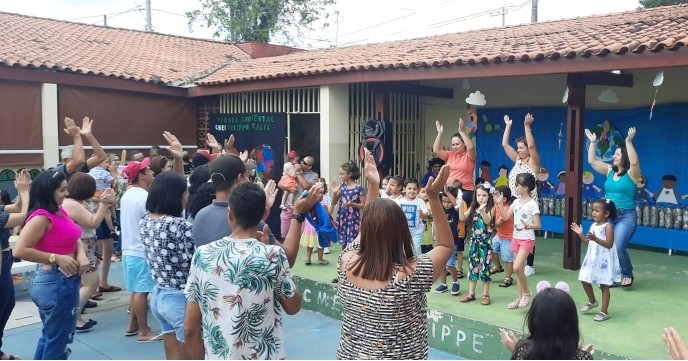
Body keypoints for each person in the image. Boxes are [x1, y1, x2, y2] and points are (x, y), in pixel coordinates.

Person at [335, 149, 453, 359]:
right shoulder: (409, 275)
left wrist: (373, 185)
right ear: (400, 229)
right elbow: (445, 246)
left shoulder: (346, 260)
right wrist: (434, 198)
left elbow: (365, 231)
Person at [184, 182, 320, 360]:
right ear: (264, 214)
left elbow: (190, 330)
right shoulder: (272, 255)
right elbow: (293, 307)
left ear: (230, 213)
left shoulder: (202, 255)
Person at [13, 170, 88, 360]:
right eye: (62, 190)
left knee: (51, 337)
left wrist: (80, 254)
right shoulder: (41, 217)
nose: (66, 194)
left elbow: (74, 237)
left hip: (61, 281)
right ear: (49, 191)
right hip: (55, 281)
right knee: (58, 340)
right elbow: (20, 250)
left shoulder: (58, 210)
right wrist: (57, 258)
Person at [140, 172, 195, 359]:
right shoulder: (180, 225)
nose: (187, 198)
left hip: (159, 293)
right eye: (185, 194)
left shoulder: (146, 220)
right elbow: (194, 259)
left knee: (172, 348)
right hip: (181, 297)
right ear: (175, 196)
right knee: (194, 350)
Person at [585, 127, 641, 288]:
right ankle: (611, 276)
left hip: (626, 216)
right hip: (609, 216)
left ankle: (627, 273)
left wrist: (628, 142)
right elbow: (592, 161)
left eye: (617, 154)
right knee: (607, 247)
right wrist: (594, 143)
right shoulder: (610, 171)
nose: (614, 156)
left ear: (624, 157)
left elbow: (635, 161)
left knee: (618, 246)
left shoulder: (632, 174)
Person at [62, 173, 117, 331]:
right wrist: (104, 205)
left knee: (81, 283)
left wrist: (104, 203)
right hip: (82, 246)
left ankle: (77, 316)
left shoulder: (77, 202)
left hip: (85, 245)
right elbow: (92, 222)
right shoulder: (72, 204)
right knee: (92, 282)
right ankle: (72, 316)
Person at [192, 155, 279, 250]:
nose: (248, 180)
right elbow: (288, 257)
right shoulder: (244, 217)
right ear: (240, 178)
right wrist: (296, 216)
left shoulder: (200, 216)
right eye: (246, 175)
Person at [119, 158, 162, 343]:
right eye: (148, 170)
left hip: (130, 249)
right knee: (142, 291)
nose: (152, 171)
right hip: (141, 250)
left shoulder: (128, 195)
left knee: (136, 290)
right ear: (142, 175)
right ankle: (143, 331)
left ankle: (133, 325)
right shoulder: (143, 197)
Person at [500, 284, 593, 360]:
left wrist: (518, 350)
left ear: (534, 321)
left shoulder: (523, 349)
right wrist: (577, 354)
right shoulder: (583, 357)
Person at [502, 113, 541, 278]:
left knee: (528, 232)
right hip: (515, 201)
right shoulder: (517, 159)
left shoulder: (533, 161)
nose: (519, 150)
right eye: (518, 147)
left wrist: (527, 127)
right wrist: (508, 126)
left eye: (521, 147)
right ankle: (519, 260)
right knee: (516, 231)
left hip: (529, 202)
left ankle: (530, 265)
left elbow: (532, 147)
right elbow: (504, 144)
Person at [495, 173, 540, 310]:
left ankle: (526, 293)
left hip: (527, 239)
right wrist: (500, 203)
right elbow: (505, 216)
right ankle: (519, 297)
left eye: (516, 185)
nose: (514, 187)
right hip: (515, 238)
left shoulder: (533, 204)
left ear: (525, 188)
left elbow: (538, 225)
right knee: (519, 268)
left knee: (516, 267)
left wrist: (529, 225)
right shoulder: (515, 202)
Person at [571, 199, 621, 322]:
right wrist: (580, 233)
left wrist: (595, 238)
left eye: (597, 210)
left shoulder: (608, 226)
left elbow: (609, 244)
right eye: (593, 210)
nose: (593, 212)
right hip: (592, 258)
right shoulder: (593, 225)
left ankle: (604, 311)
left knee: (604, 285)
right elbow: (587, 242)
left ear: (606, 214)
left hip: (603, 261)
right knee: (583, 279)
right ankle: (592, 301)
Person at [0, 170, 30, 361]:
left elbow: (18, 206)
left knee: (8, 304)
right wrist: (24, 190)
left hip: (5, 259)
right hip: (2, 262)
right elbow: (25, 215)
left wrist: (22, 190)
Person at [459, 183, 494, 305]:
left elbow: (487, 220)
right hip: (474, 242)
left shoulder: (490, 208)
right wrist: (459, 205)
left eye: (484, 195)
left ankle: (486, 294)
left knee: (485, 267)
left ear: (489, 196)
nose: (481, 198)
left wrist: (483, 210)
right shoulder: (473, 208)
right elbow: (462, 218)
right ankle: (471, 293)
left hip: (485, 243)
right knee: (473, 266)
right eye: (478, 195)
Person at [433, 118, 477, 205]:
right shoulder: (450, 155)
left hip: (466, 189)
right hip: (449, 189)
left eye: (457, 144)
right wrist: (439, 133)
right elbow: (436, 150)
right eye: (453, 145)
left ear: (464, 144)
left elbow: (471, 148)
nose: (455, 147)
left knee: (459, 203)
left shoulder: (469, 156)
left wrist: (461, 131)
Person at [56, 117, 107, 181]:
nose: (80, 164)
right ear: (65, 160)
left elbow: (101, 157)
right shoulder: (58, 172)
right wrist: (76, 136)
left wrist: (89, 135)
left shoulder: (79, 169)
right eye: (73, 159)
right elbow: (79, 161)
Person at [434, 190, 464, 296]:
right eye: (444, 201)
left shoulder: (455, 211)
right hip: (440, 241)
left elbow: (456, 204)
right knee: (441, 264)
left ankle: (455, 282)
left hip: (452, 242)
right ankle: (444, 284)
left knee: (450, 264)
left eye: (449, 202)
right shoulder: (441, 209)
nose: (446, 204)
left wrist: (447, 192)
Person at [281, 155, 319, 240]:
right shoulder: (291, 169)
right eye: (302, 160)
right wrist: (289, 188)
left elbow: (306, 185)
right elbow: (280, 183)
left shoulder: (314, 175)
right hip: (287, 207)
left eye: (304, 163)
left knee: (298, 237)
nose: (301, 163)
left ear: (309, 167)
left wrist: (297, 173)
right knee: (284, 235)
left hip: (301, 209)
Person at [330, 162, 365, 251]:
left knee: (353, 241)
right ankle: (343, 259)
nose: (340, 176)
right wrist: (334, 192)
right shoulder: (342, 186)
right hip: (342, 217)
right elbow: (334, 200)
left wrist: (353, 204)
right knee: (343, 241)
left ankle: (352, 260)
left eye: (342, 174)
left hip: (353, 218)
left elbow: (364, 205)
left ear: (350, 174)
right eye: (340, 174)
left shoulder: (359, 188)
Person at [301, 178, 331, 266]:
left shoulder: (326, 198)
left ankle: (312, 258)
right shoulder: (311, 197)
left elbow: (328, 211)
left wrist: (326, 208)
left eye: (321, 186)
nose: (319, 188)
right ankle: (316, 259)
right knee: (316, 242)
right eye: (317, 186)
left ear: (324, 188)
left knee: (317, 242)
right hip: (315, 224)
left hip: (317, 224)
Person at [395, 178, 428, 257]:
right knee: (403, 250)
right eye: (409, 188)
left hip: (417, 231)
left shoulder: (420, 201)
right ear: (404, 189)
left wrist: (422, 215)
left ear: (418, 190)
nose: (412, 191)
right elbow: (395, 214)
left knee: (416, 249)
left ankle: (418, 265)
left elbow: (426, 214)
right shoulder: (400, 201)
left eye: (414, 189)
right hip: (403, 231)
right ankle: (405, 266)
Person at [490, 186, 515, 288]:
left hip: (508, 238)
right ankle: (498, 266)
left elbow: (498, 224)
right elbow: (491, 215)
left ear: (504, 199)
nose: (494, 197)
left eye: (497, 195)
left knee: (508, 259)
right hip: (499, 235)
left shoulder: (506, 208)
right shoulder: (496, 206)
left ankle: (508, 278)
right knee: (490, 249)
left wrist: (487, 222)